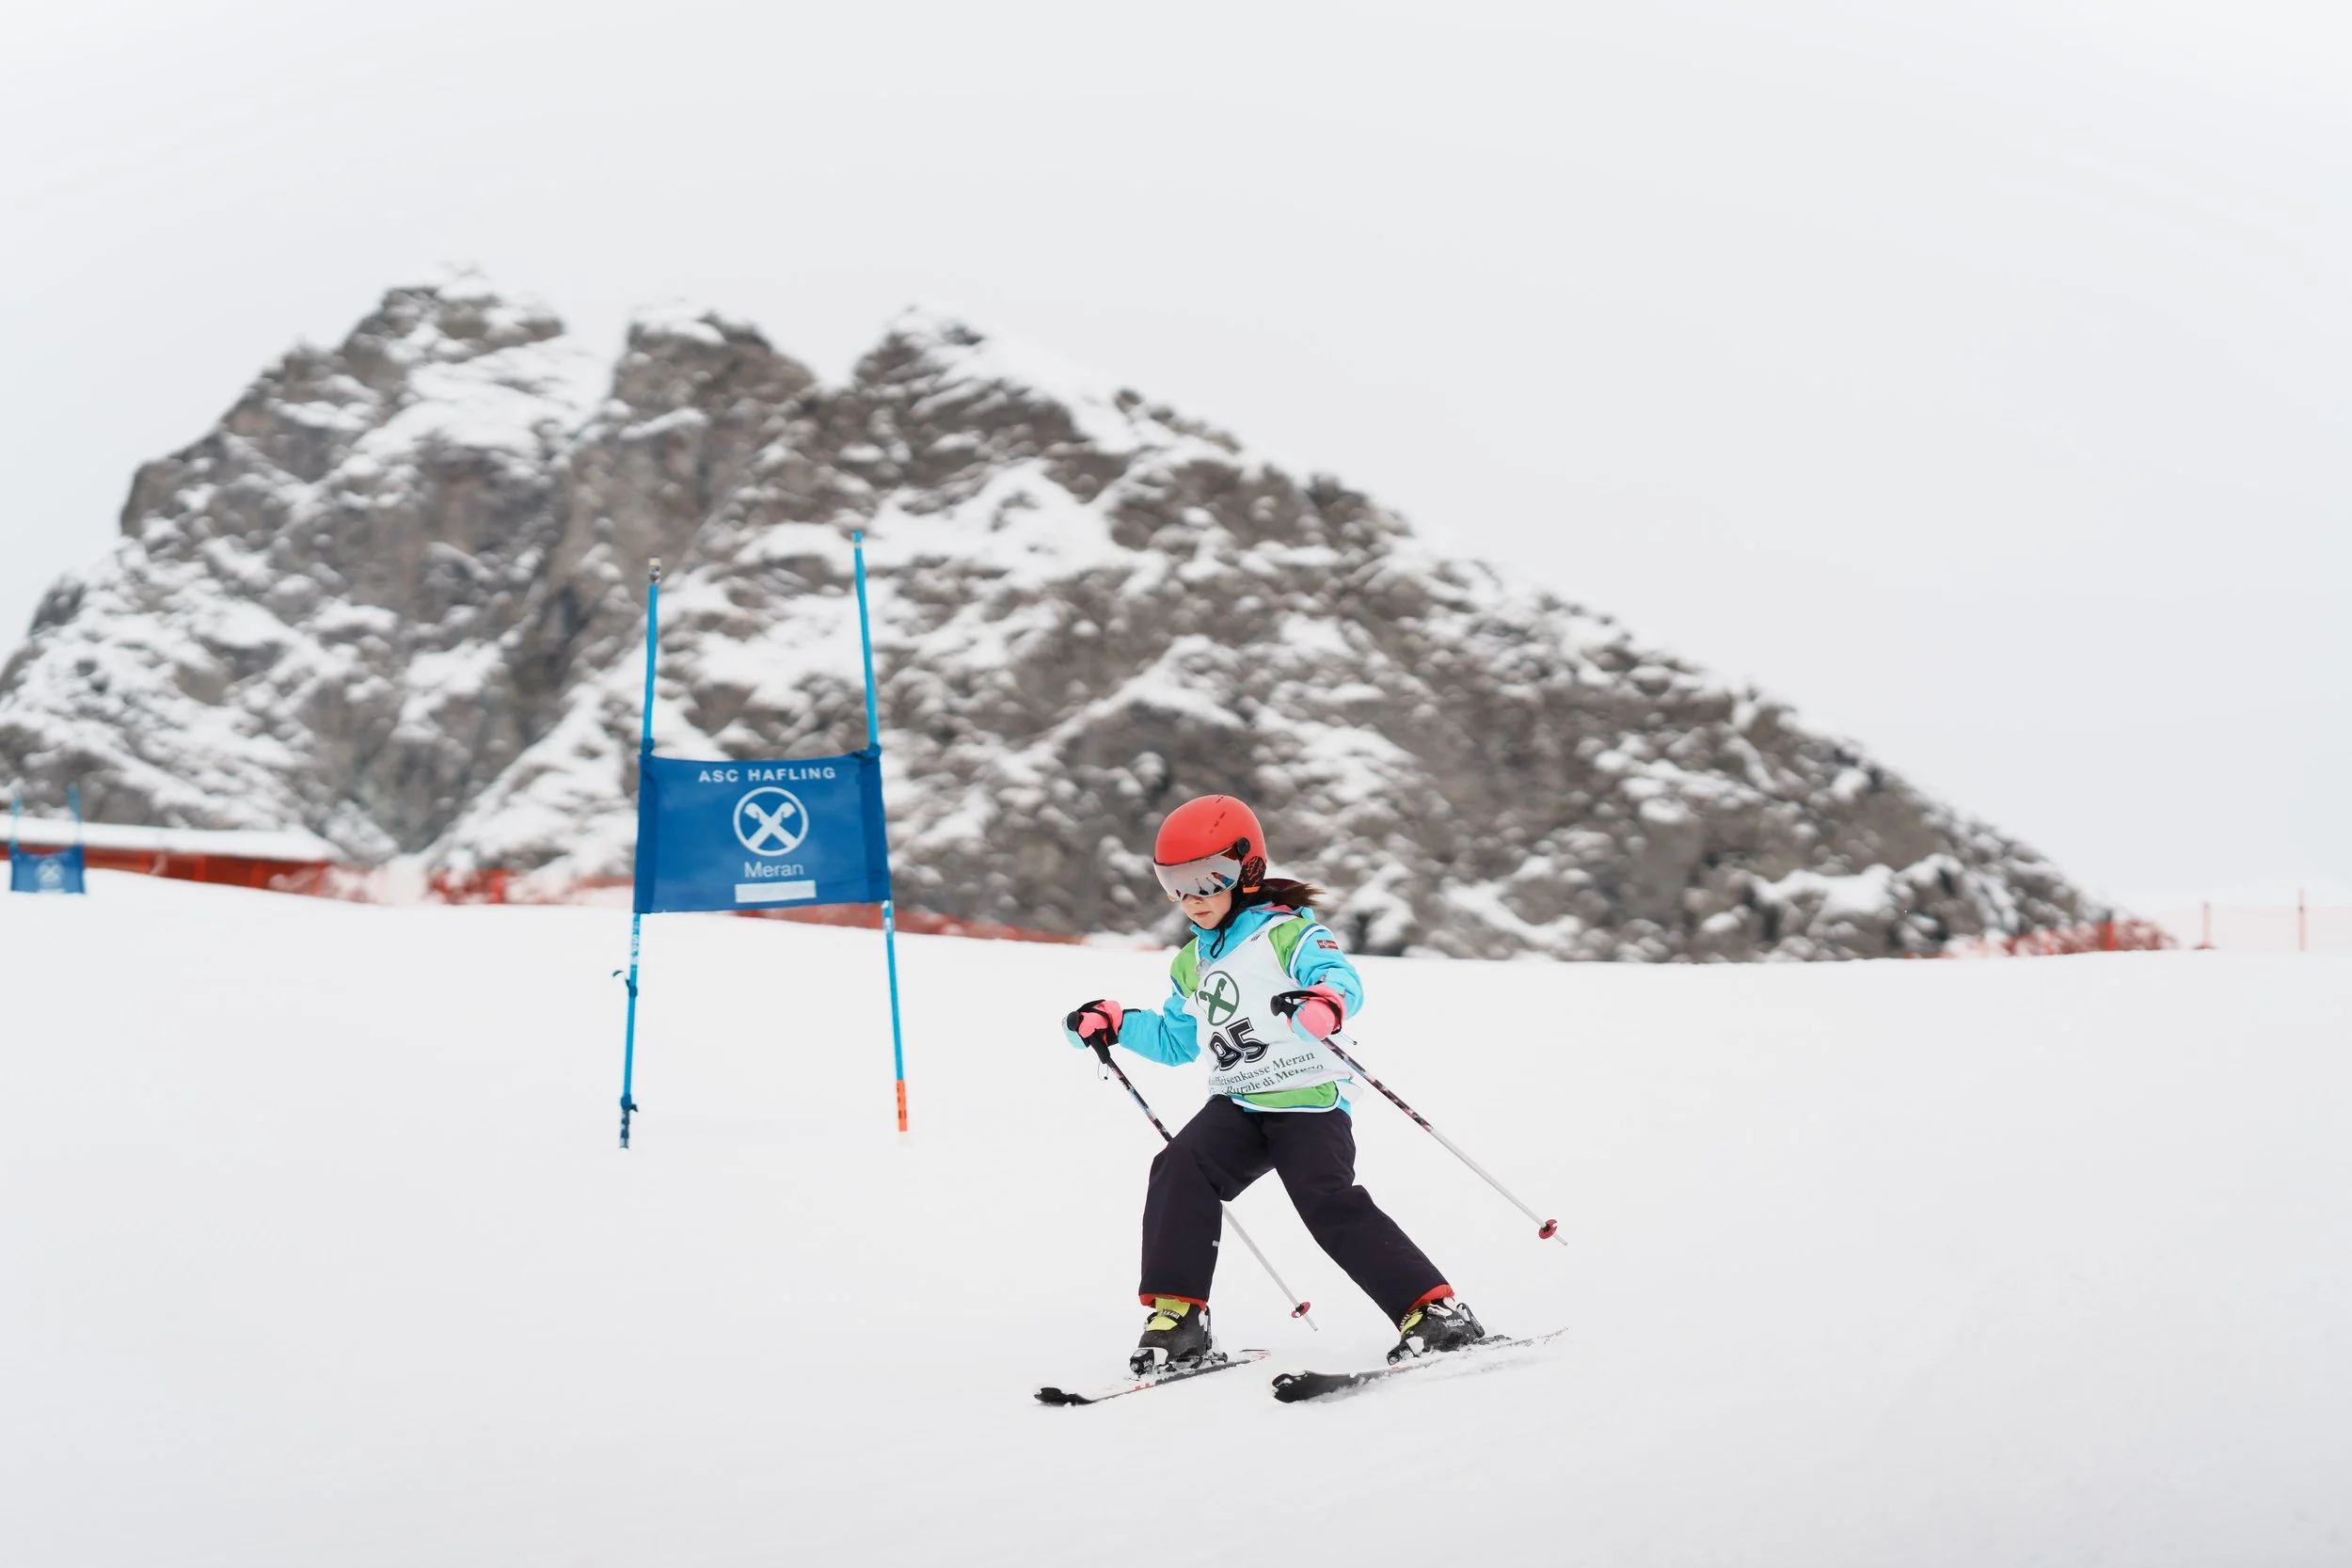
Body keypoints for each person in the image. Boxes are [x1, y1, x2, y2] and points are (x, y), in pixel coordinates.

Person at [1064, 794, 1486, 1375]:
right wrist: (1117, 1024)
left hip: (1308, 1096)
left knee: (1324, 1198)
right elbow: (1175, 1041)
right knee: (1180, 1167)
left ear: (1248, 870)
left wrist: (1323, 1004)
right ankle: (1180, 1320)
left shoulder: (1288, 934)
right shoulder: (1190, 962)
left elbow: (1338, 977)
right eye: (1173, 883)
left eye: (1206, 880)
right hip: (1239, 1101)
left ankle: (1433, 1312)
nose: (1190, 898)